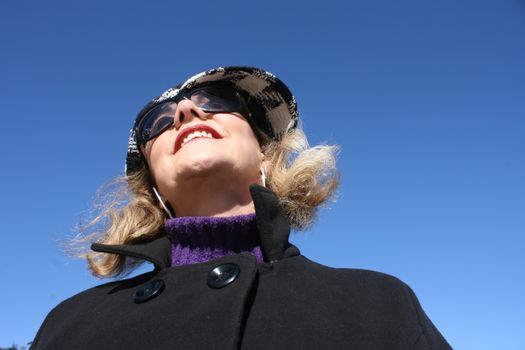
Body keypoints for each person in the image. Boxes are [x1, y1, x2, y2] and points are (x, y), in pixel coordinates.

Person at [31, 66, 452, 349]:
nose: (184, 110)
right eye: (156, 123)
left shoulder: (378, 304)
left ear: (266, 155)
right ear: (153, 188)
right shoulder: (68, 326)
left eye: (215, 100)